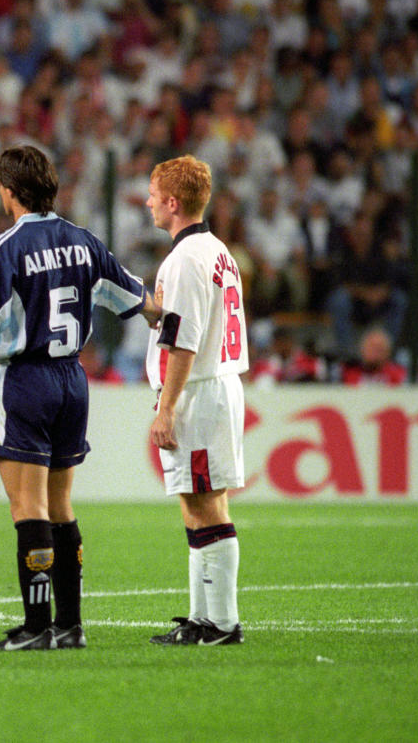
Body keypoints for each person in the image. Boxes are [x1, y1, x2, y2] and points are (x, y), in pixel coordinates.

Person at [0, 145, 158, 651]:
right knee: (61, 504)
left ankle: (36, 627)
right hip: (72, 380)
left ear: (9, 191)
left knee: (28, 505)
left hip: (27, 379)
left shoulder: (6, 247)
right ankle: (70, 625)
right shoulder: (84, 240)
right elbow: (138, 302)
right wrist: (169, 316)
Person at [144, 155, 247, 646]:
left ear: (172, 202)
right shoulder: (218, 251)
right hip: (214, 386)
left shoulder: (185, 259)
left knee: (205, 505)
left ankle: (223, 623)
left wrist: (167, 406)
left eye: (151, 193)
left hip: (198, 393)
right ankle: (202, 617)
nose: (147, 202)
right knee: (199, 502)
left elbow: (184, 341)